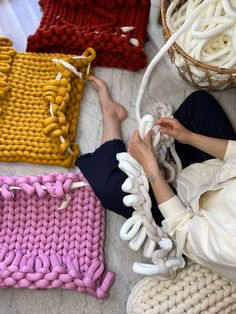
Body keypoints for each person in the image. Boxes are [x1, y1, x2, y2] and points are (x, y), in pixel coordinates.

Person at [76, 76, 236, 282]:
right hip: (213, 175)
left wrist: (152, 171)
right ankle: (169, 162)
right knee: (199, 103)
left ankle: (111, 115)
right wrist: (188, 137)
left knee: (108, 186)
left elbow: (182, 227)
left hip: (188, 214)